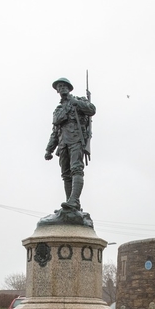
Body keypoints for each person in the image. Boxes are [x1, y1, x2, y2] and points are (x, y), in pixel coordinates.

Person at [44, 77, 95, 212]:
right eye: (59, 87)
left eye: (64, 86)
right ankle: (70, 203)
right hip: (62, 144)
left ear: (69, 87)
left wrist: (75, 102)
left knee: (76, 169)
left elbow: (91, 110)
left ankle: (74, 201)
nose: (61, 88)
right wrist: (49, 149)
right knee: (66, 175)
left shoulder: (78, 101)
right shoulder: (58, 110)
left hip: (76, 140)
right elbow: (55, 131)